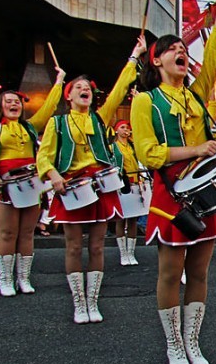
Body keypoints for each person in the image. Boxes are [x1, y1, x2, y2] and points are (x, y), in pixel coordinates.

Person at [131, 0, 216, 364]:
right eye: (172, 48)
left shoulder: (195, 96)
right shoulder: (146, 100)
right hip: (172, 190)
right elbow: (148, 152)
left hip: (204, 190)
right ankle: (174, 344)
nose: (181, 52)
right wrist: (196, 151)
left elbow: (215, 57)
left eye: (183, 48)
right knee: (171, 272)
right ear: (157, 60)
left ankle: (193, 342)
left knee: (200, 271)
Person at [37, 38, 145, 324]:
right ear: (68, 96)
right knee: (73, 246)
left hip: (99, 186)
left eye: (88, 88)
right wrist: (54, 175)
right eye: (78, 88)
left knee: (97, 246)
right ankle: (78, 302)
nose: (85, 90)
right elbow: (44, 157)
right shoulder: (57, 123)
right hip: (71, 187)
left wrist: (135, 55)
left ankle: (93, 301)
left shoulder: (100, 118)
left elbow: (121, 88)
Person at [0, 68, 64, 296]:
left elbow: (47, 109)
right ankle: (6, 279)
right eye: (8, 101)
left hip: (30, 182)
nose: (14, 104)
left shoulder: (29, 126)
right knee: (7, 232)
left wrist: (59, 82)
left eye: (16, 101)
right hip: (5, 184)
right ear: (1, 105)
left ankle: (23, 278)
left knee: (27, 233)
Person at [111, 120, 141, 266]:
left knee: (133, 219)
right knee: (121, 219)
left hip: (135, 182)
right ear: (116, 130)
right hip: (121, 184)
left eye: (127, 128)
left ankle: (131, 253)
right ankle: (123, 253)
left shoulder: (133, 146)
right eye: (122, 127)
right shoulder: (113, 147)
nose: (126, 130)